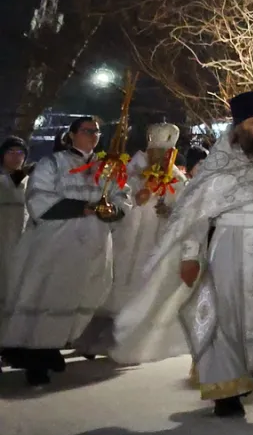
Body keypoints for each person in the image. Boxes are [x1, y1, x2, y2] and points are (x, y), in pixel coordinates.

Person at [111, 92, 253, 416]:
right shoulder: (220, 162)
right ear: (238, 127)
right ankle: (225, 389)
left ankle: (236, 372)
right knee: (223, 315)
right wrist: (191, 255)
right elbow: (194, 215)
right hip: (230, 245)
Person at [0, 116, 127, 385]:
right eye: (87, 131)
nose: (93, 136)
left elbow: (120, 196)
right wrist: (83, 208)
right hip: (56, 243)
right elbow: (38, 199)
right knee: (49, 296)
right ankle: (36, 356)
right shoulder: (53, 163)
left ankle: (53, 347)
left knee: (79, 294)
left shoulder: (105, 168)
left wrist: (113, 209)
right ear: (71, 135)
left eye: (97, 132)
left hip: (93, 243)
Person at [104, 124, 187, 333]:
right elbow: (120, 196)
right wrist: (138, 196)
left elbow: (183, 205)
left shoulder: (176, 176)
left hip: (157, 236)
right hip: (131, 235)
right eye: (158, 152)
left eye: (167, 153)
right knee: (124, 275)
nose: (162, 157)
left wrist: (169, 209)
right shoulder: (132, 170)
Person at [0, 137, 28, 320]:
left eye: (20, 153)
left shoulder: (31, 181)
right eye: (11, 152)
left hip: (24, 238)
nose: (16, 157)